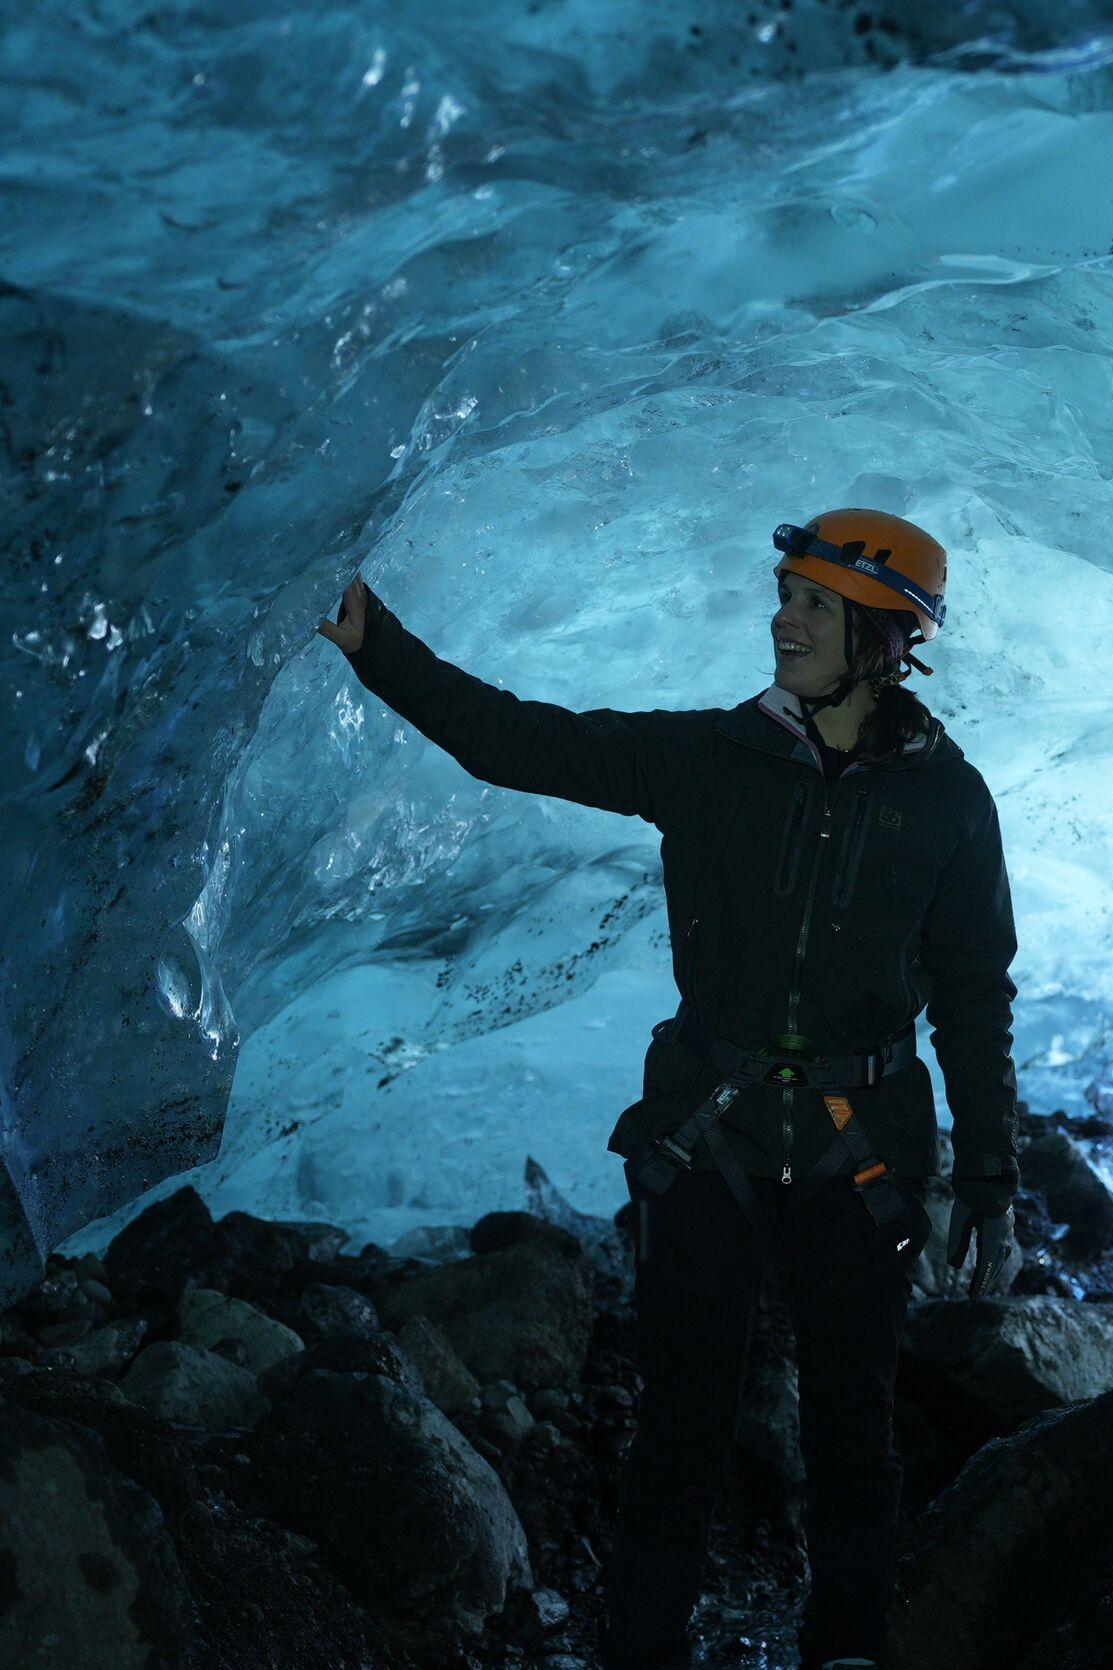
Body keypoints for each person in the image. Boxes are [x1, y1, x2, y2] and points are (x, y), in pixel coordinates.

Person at [314, 507, 1021, 1670]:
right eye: (785, 595)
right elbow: (518, 741)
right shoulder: (706, 759)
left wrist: (991, 1172)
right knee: (678, 1434)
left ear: (886, 638)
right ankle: (642, 1649)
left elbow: (973, 990)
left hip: (868, 1158)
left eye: (814, 604)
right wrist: (375, 642)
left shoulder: (949, 802)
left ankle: (844, 1648)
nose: (782, 618)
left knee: (854, 1438)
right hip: (710, 1143)